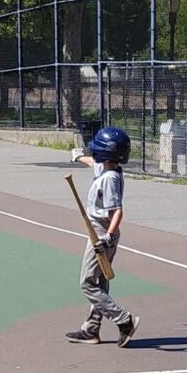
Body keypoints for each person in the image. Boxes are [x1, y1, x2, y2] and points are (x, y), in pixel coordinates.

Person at [67, 127, 140, 348]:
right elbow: (93, 163)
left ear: (106, 152)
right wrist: (78, 157)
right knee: (100, 283)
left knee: (87, 283)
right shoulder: (107, 167)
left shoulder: (110, 179)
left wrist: (107, 238)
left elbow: (117, 212)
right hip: (98, 231)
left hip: (102, 233)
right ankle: (91, 329)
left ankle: (124, 320)